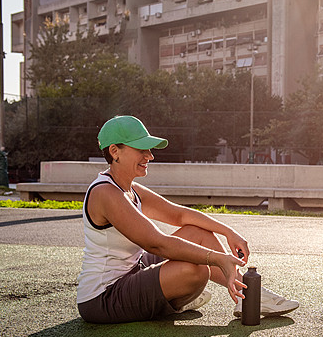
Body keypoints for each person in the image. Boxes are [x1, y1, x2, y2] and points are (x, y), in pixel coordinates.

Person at [77, 115, 299, 324]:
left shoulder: (131, 189)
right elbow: (157, 243)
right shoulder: (105, 193)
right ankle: (175, 297)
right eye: (141, 149)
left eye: (149, 149)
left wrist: (228, 232)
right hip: (103, 297)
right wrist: (218, 258)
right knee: (196, 271)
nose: (150, 156)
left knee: (199, 234)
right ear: (115, 151)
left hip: (135, 269)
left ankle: (248, 295)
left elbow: (180, 215)